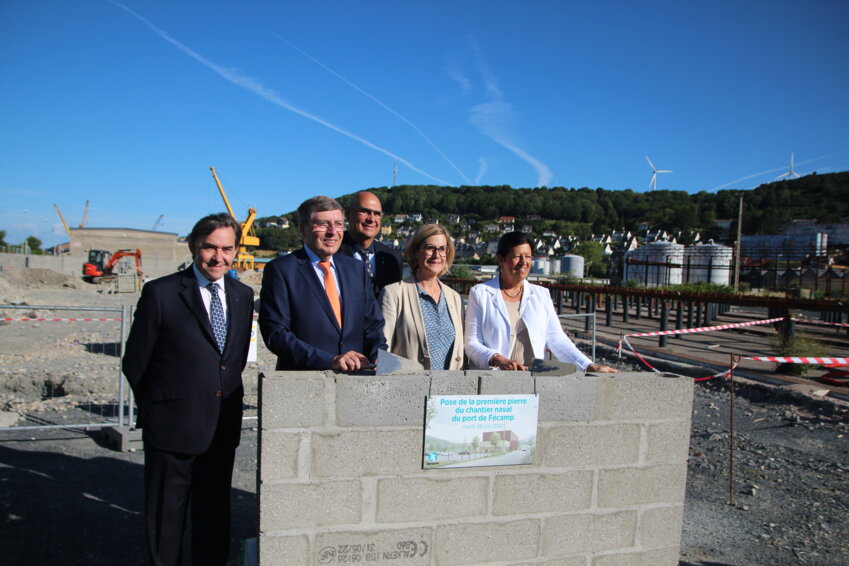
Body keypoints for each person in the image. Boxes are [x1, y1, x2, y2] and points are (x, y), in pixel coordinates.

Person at [122, 213, 255, 566]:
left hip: (221, 427)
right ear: (194, 246)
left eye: (227, 249)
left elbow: (233, 359)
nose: (218, 257)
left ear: (236, 250)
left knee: (214, 516)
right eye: (210, 247)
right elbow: (135, 362)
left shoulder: (243, 295)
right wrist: (157, 409)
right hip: (171, 427)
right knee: (167, 519)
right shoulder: (161, 293)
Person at [259, 195, 386, 371]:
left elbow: (373, 325)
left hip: (355, 381)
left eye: (339, 224)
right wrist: (329, 360)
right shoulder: (281, 270)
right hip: (305, 382)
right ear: (303, 229)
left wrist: (378, 356)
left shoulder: (356, 270)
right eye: (323, 224)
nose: (332, 231)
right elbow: (276, 334)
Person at [465, 231, 617, 373]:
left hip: (532, 378)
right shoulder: (480, 293)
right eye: (516, 256)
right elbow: (471, 342)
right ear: (501, 260)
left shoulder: (541, 295)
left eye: (528, 257)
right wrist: (498, 359)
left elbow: (557, 339)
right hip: (493, 379)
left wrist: (588, 366)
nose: (523, 262)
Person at [380, 224, 464, 370]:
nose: (437, 255)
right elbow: (383, 351)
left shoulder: (455, 298)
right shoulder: (393, 294)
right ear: (415, 252)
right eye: (430, 248)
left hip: (447, 389)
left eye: (442, 249)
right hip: (409, 388)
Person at [338, 190, 403, 297]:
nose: (371, 219)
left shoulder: (393, 258)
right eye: (364, 211)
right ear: (348, 213)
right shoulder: (331, 252)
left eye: (377, 214)